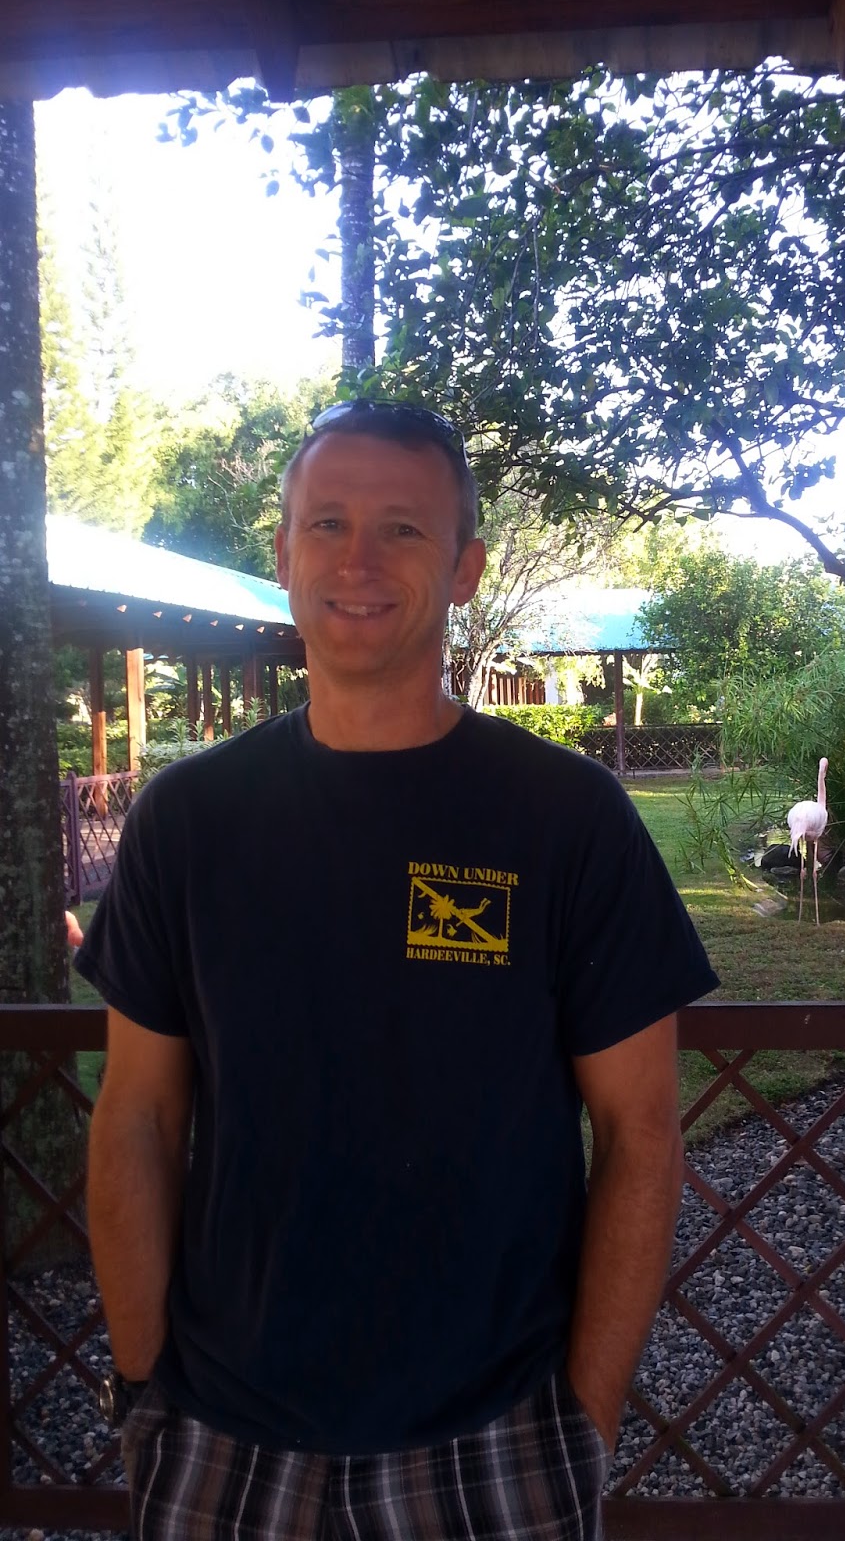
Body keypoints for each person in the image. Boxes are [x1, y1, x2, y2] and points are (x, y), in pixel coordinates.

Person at [77, 399, 718, 1541]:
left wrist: (584, 1423)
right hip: (220, 1436)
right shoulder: (188, 821)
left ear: (466, 568)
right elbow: (136, 1116)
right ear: (284, 555)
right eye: (326, 523)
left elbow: (642, 1133)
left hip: (499, 1436)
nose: (357, 561)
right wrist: (144, 1392)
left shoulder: (567, 819)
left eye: (403, 529)